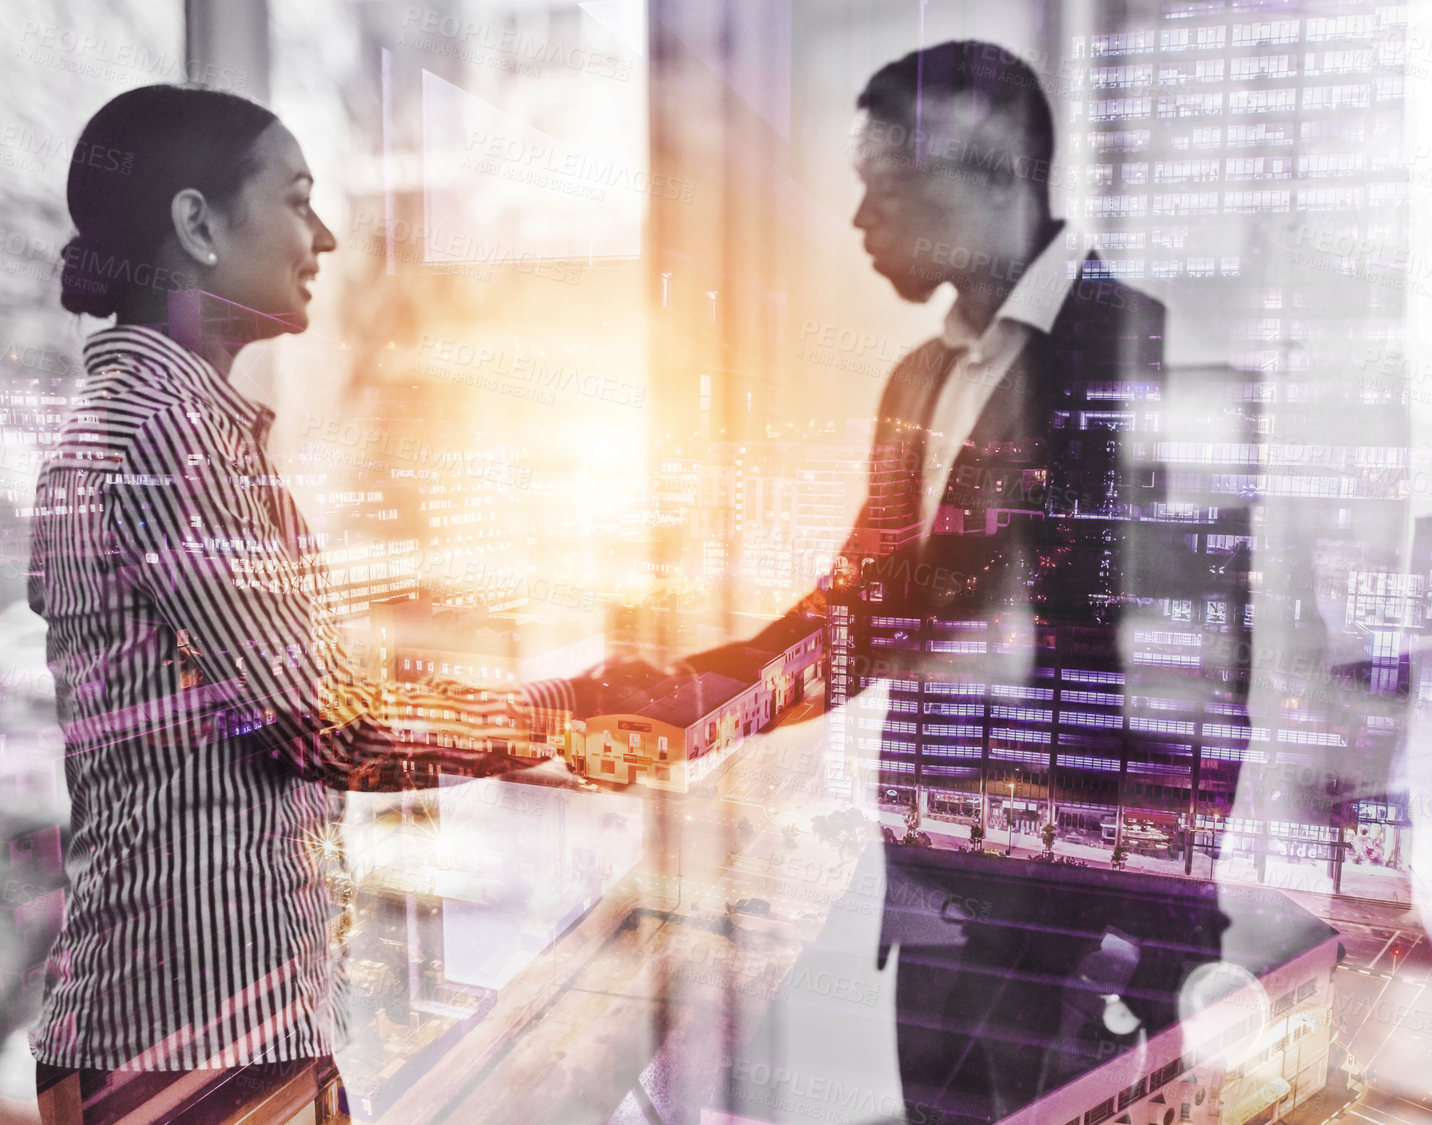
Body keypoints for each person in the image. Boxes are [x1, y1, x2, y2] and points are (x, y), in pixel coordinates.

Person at [689, 40, 1256, 1108]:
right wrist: (704, 686)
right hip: (940, 889)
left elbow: (1200, 664)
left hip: (1086, 924)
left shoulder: (1141, 345)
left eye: (886, 184)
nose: (859, 217)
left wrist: (1138, 925)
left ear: (996, 170)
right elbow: (865, 598)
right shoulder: (920, 375)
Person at [27, 85, 598, 1121]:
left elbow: (295, 695)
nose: (324, 236)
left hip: (187, 1036)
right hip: (192, 1050)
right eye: (296, 199)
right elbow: (326, 728)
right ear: (198, 224)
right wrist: (568, 707)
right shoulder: (164, 434)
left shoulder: (141, 421)